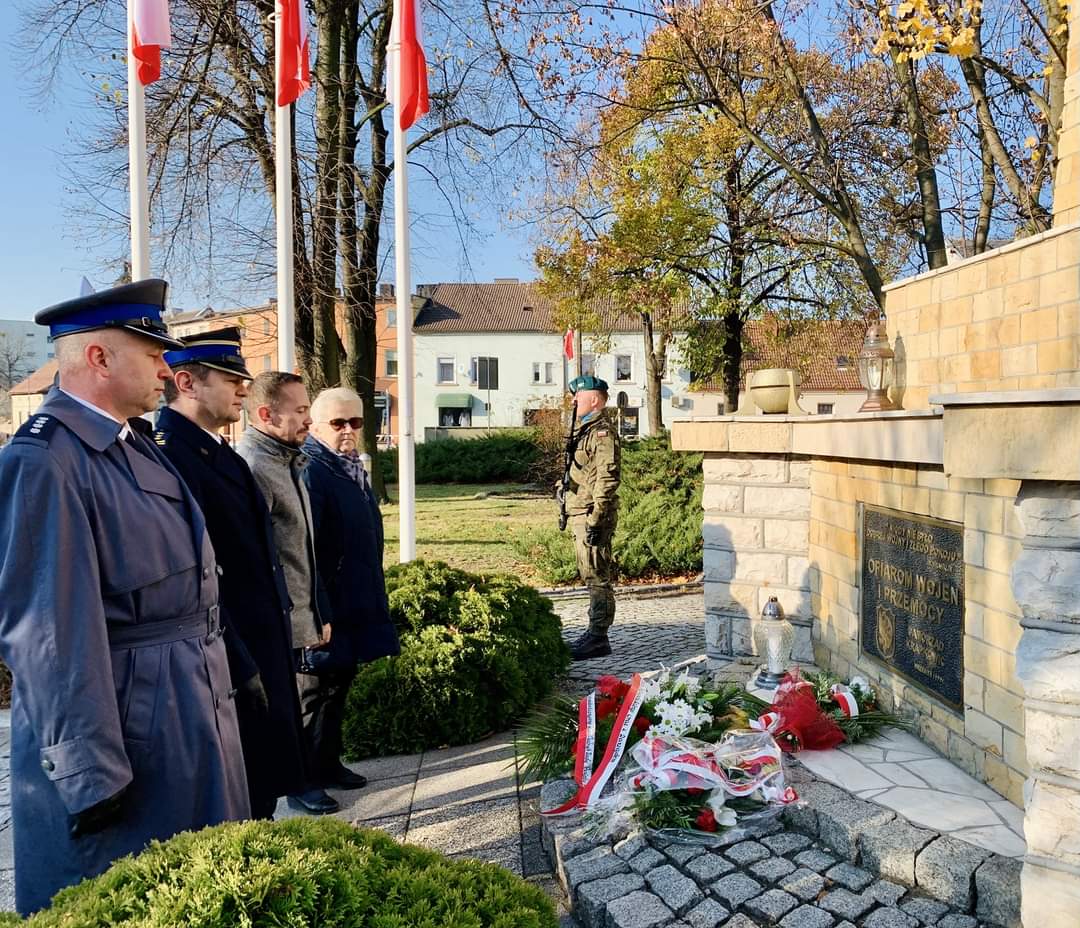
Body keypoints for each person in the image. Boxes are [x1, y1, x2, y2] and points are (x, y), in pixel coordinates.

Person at [0, 280, 250, 915]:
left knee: (203, 893)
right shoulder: (46, 460)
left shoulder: (130, 442)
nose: (166, 369)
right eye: (152, 354)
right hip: (133, 732)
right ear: (99, 358)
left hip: (184, 712)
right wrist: (87, 773)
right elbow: (48, 634)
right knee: (137, 901)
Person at [153, 329, 307, 819]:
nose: (244, 388)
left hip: (259, 634)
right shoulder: (171, 456)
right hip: (228, 646)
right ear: (186, 383)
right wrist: (237, 655)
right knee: (242, 790)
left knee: (262, 784)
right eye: (230, 378)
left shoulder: (216, 450)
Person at [235, 372, 339, 815]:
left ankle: (311, 772)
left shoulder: (288, 461)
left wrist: (318, 607)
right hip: (277, 615)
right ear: (266, 414)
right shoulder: (255, 468)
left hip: (300, 605)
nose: (308, 420)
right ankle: (298, 781)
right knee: (293, 702)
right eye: (299, 411)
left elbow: (302, 547)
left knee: (311, 694)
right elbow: (259, 556)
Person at [301, 388, 400, 789]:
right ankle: (306, 779)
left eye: (355, 422)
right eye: (337, 422)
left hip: (352, 596)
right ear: (315, 425)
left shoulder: (349, 466)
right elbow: (305, 548)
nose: (348, 430)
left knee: (338, 684)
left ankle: (328, 763)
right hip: (326, 602)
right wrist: (317, 610)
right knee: (316, 691)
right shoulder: (312, 470)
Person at [562, 375, 622, 660]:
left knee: (597, 576)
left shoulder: (602, 434)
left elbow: (607, 478)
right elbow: (584, 471)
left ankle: (598, 637)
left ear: (595, 400)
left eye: (580, 396)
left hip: (591, 514)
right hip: (580, 510)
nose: (574, 400)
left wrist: (596, 518)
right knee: (589, 574)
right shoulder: (584, 430)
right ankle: (594, 632)